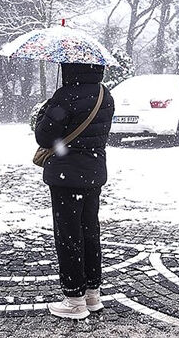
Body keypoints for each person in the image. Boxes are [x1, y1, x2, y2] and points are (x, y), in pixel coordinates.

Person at [34, 63, 115, 320]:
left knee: (69, 235)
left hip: (66, 176)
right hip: (93, 174)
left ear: (69, 68)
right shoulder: (105, 95)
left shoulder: (65, 96)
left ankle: (74, 299)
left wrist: (46, 110)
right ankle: (93, 293)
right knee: (90, 231)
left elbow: (44, 137)